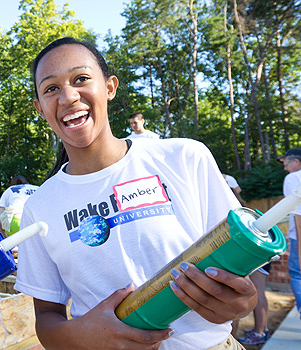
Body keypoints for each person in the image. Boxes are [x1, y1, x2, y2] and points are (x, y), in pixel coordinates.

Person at [14, 37, 257, 350]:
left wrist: (242, 300)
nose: (69, 96)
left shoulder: (184, 158)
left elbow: (238, 273)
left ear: (110, 87)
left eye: (81, 79)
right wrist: (84, 334)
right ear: (40, 108)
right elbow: (47, 320)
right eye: (51, 88)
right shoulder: (40, 208)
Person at [278, 148, 301, 319]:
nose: (285, 168)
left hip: (298, 235)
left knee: (298, 274)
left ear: (297, 162)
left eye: (286, 163)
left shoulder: (293, 178)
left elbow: (297, 212)